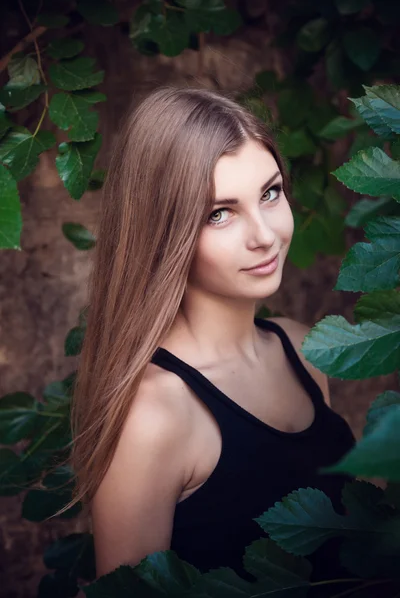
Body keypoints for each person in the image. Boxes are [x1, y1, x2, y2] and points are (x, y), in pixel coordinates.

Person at [68, 86, 356, 586]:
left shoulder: (304, 350)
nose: (264, 234)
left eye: (270, 193)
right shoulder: (155, 415)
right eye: (219, 213)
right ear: (165, 231)